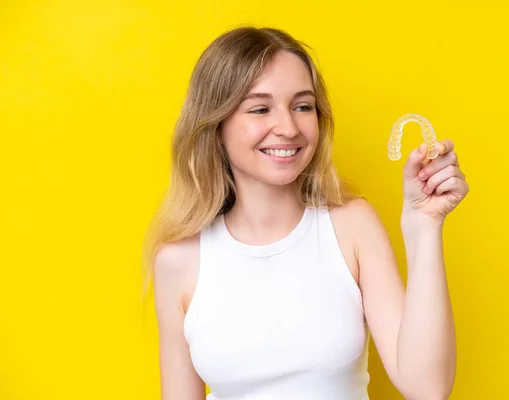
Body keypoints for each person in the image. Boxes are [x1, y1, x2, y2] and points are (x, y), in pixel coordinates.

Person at [142, 25, 469, 400]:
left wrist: (423, 225)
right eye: (260, 108)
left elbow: (427, 388)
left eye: (302, 106)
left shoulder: (352, 227)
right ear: (216, 125)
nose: (289, 128)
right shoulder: (178, 261)